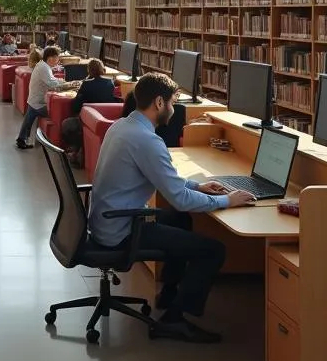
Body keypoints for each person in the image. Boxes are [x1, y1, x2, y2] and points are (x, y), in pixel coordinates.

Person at [88, 72, 256, 343]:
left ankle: (169, 294)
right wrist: (227, 200)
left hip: (107, 220)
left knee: (180, 220)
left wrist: (197, 186)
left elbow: (167, 180)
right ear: (158, 103)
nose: (175, 107)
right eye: (173, 101)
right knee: (213, 251)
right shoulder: (147, 140)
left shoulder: (122, 126)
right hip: (123, 228)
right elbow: (179, 198)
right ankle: (174, 319)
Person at [16, 46, 80, 150]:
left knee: (29, 118)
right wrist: (70, 85)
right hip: (40, 103)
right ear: (51, 58)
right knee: (61, 110)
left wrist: (64, 82)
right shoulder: (44, 68)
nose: (58, 60)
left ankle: (21, 139)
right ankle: (62, 142)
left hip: (35, 100)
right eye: (57, 58)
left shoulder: (43, 66)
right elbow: (53, 85)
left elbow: (52, 80)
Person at [60, 58, 118, 165]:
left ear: (89, 70)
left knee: (66, 124)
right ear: (103, 69)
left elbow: (75, 106)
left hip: (87, 119)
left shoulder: (86, 84)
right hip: (103, 118)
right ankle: (79, 151)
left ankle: (75, 150)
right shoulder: (110, 83)